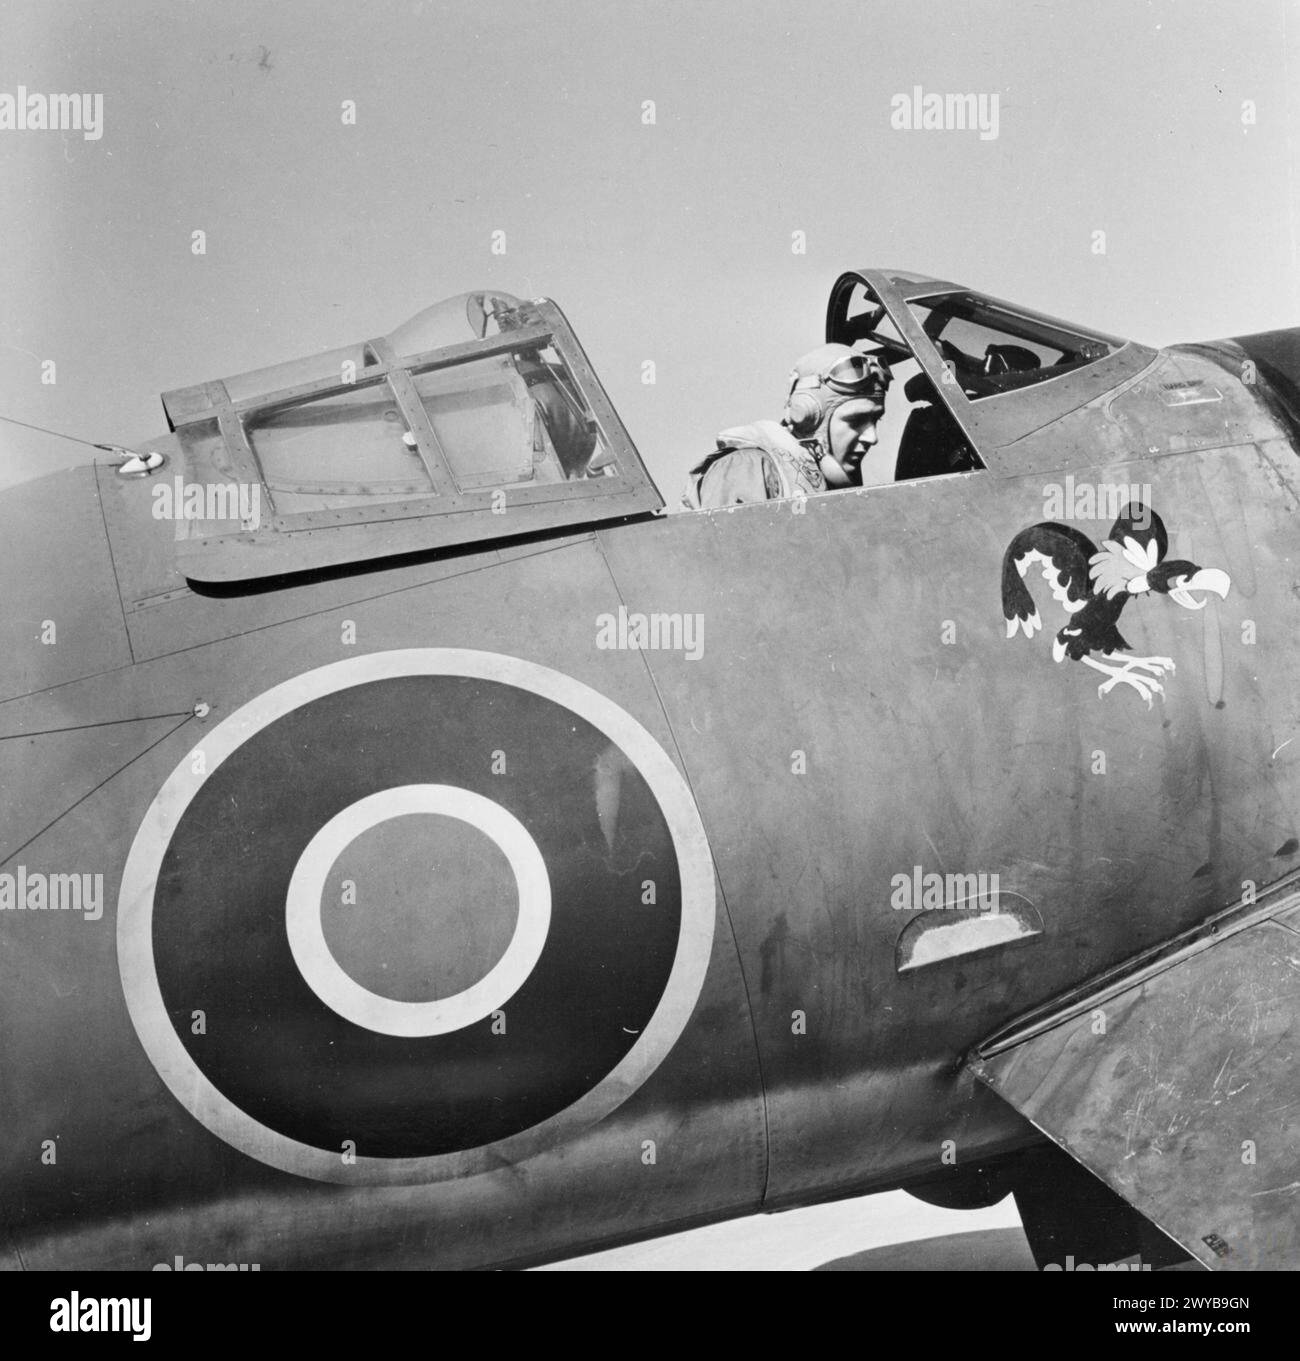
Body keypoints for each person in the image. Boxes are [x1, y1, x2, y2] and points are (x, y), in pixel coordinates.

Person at [681, 343, 891, 509]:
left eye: (875, 420)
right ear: (809, 417)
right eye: (856, 421)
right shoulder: (749, 467)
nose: (872, 437)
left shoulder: (832, 487)